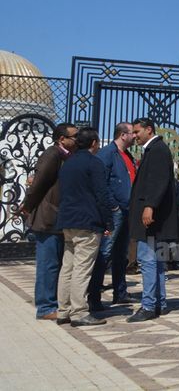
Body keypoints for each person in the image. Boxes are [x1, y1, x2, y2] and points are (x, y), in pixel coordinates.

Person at [55, 128, 113, 327]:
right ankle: (79, 312)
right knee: (82, 268)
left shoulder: (68, 163)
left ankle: (63, 310)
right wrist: (108, 221)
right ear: (94, 143)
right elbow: (102, 194)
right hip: (87, 222)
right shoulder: (94, 163)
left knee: (67, 267)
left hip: (68, 220)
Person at [21, 122, 78, 320]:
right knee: (48, 264)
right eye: (74, 137)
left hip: (59, 217)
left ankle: (56, 302)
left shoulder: (67, 156)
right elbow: (39, 183)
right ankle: (45, 307)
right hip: (48, 217)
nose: (77, 140)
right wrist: (27, 205)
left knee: (58, 263)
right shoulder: (53, 154)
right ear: (62, 139)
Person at [127, 118, 179, 323]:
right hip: (153, 217)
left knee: (148, 260)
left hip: (150, 218)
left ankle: (149, 305)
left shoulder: (157, 150)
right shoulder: (155, 149)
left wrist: (149, 206)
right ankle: (159, 302)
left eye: (137, 132)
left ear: (148, 130)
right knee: (155, 261)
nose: (134, 136)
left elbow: (158, 181)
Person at [88, 122, 136, 309]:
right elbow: (101, 182)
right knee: (105, 252)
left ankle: (120, 292)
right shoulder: (107, 154)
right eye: (132, 133)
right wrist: (114, 206)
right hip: (115, 212)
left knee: (120, 254)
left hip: (127, 210)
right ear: (123, 135)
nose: (135, 136)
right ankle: (94, 297)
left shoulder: (127, 155)